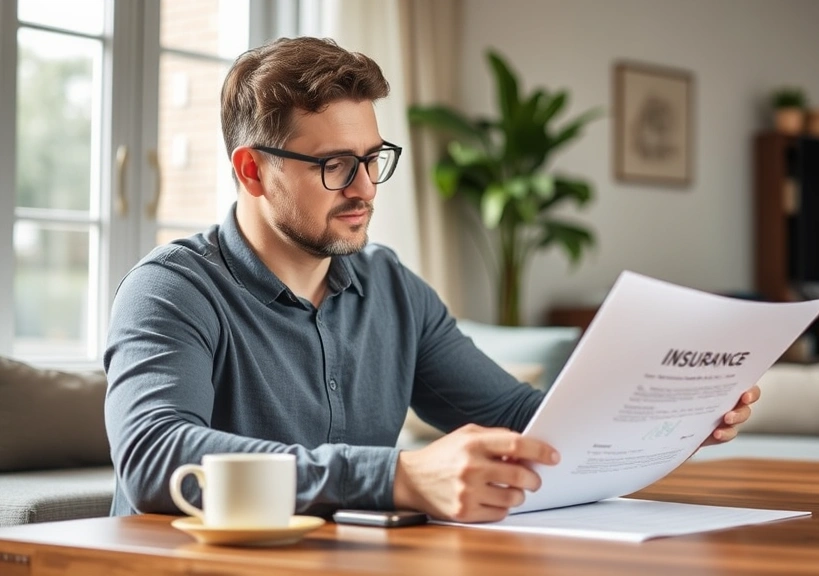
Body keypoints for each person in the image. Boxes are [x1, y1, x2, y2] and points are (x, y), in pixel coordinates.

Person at [104, 37, 760, 524]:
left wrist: (667, 415)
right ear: (251, 171)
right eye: (335, 165)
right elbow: (160, 457)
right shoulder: (173, 289)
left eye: (372, 159)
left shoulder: (391, 288)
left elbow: (519, 422)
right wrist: (397, 476)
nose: (364, 189)